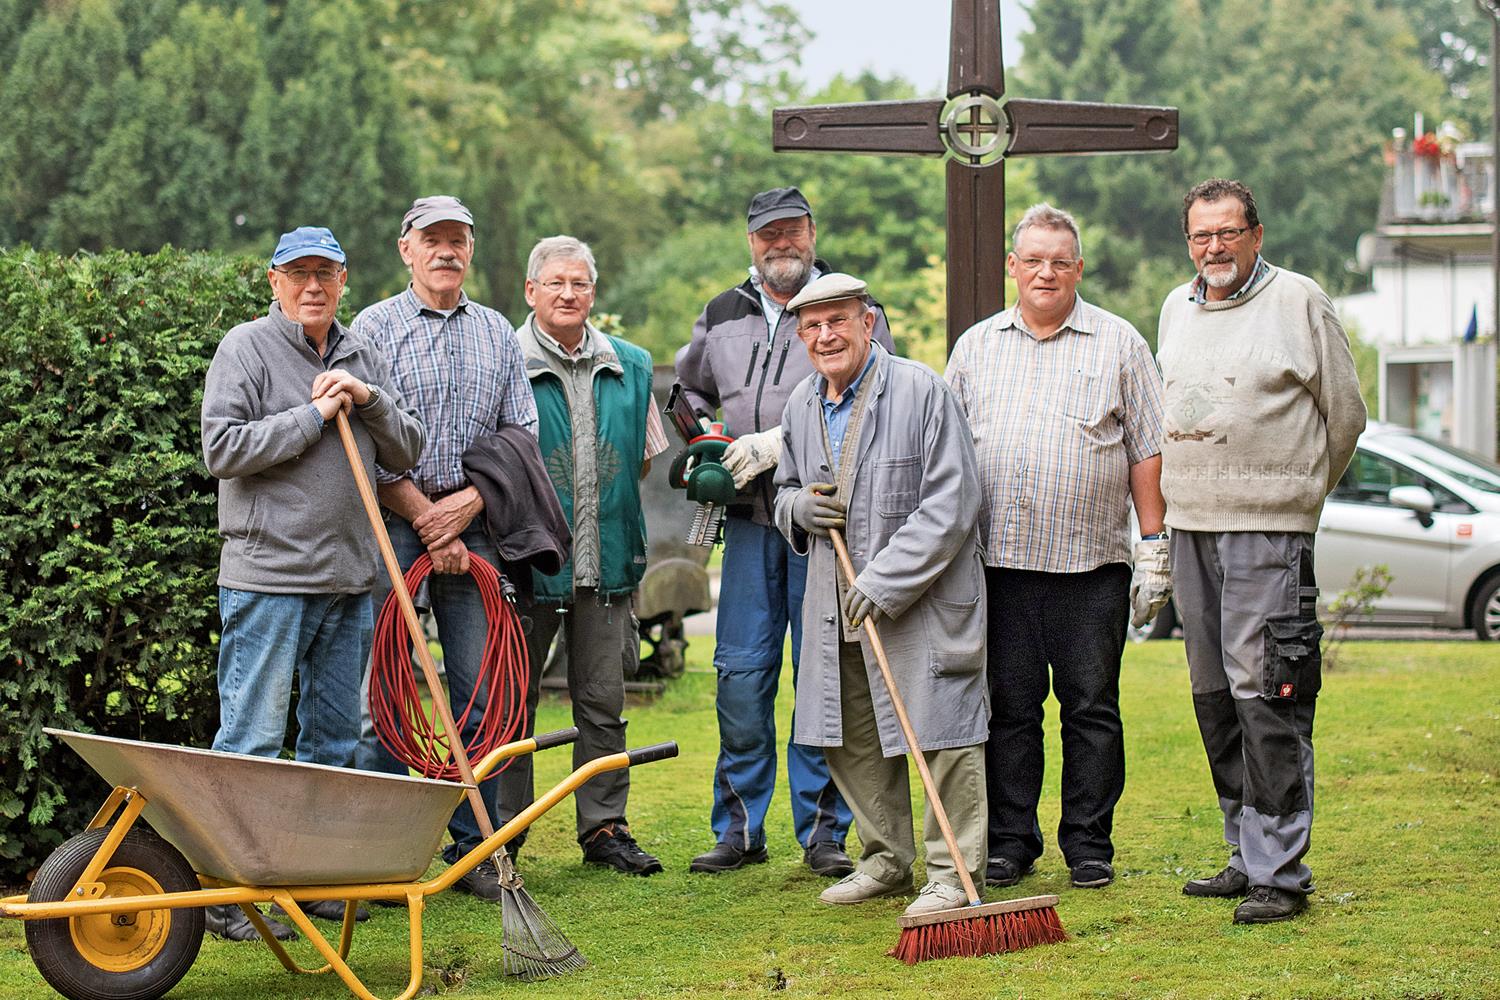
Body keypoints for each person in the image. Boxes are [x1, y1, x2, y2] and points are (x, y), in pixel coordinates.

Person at [200, 225, 424, 940]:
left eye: (325, 273)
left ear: (344, 279)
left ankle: (318, 883)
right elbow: (223, 449)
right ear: (274, 281)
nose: (312, 287)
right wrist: (314, 415)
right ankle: (229, 898)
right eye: (298, 274)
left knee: (334, 743)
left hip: (350, 578)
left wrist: (368, 398)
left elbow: (408, 447)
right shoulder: (246, 347)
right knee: (254, 741)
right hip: (268, 577)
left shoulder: (362, 350)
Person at [1158, 178, 1365, 924]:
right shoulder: (1175, 307)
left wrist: (1295, 497)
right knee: (1214, 695)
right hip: (1191, 526)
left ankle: (1281, 869)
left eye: (1227, 233)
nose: (1214, 248)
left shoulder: (1300, 301)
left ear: (1256, 234)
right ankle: (1243, 852)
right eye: (1200, 236)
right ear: (1189, 243)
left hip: (1267, 530)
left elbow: (1345, 415)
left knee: (1269, 692)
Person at [945, 204, 1168, 894]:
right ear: (1012, 267)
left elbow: (1148, 453)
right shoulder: (975, 347)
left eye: (1060, 260)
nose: (1046, 271)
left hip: (1090, 565)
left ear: (1079, 268)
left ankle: (1089, 845)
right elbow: (946, 453)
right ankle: (1012, 842)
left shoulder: (1120, 343)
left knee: (1091, 709)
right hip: (999, 564)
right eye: (1033, 259)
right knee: (1009, 711)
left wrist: (1155, 546)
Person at [676, 187, 896, 877]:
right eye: (769, 234)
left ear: (811, 233)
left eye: (793, 231)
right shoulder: (721, 313)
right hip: (745, 524)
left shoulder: (853, 307)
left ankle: (825, 831)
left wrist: (784, 440)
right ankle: (739, 827)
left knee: (823, 675)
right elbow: (682, 397)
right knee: (741, 674)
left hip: (825, 522)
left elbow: (880, 397)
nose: (782, 244)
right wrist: (712, 439)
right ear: (751, 242)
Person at [773, 272, 988, 917]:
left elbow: (953, 503)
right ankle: (885, 860)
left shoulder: (923, 391)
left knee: (943, 732)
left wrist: (883, 580)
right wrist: (797, 510)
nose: (825, 335)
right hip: (832, 602)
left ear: (869, 322)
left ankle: (952, 872)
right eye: (811, 326)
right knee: (852, 735)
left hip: (917, 601)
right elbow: (784, 488)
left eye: (838, 320)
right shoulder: (800, 407)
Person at [351, 196, 538, 902]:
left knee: (484, 692)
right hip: (396, 520)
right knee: (386, 689)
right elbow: (364, 438)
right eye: (433, 239)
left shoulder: (495, 330)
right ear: (406, 248)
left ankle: (479, 852)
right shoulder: (374, 326)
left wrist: (466, 509)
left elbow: (522, 434)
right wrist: (427, 516)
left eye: (458, 239)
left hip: (476, 521)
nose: (446, 251)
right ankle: (379, 859)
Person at [501, 235, 670, 875]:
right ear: (531, 292)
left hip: (609, 565)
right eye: (556, 283)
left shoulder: (630, 365)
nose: (569, 294)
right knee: (511, 706)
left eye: (580, 284)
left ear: (593, 292)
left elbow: (645, 456)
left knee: (603, 704)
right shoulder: (505, 361)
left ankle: (604, 830)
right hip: (530, 565)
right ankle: (500, 837)